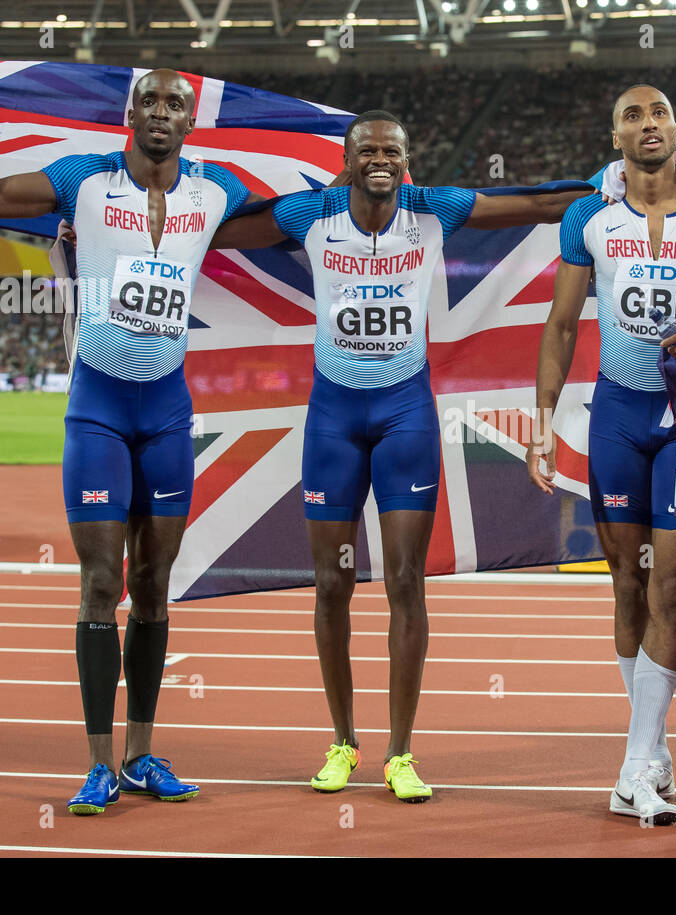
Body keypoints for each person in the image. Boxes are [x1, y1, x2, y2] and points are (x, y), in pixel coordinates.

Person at [0, 64, 257, 815]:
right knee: (99, 582)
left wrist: (370, 183)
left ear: (190, 121)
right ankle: (96, 765)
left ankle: (142, 753)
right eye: (148, 100)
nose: (159, 111)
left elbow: (301, 220)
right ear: (129, 112)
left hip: (168, 412)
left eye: (174, 103)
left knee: (154, 583)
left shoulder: (215, 192)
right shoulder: (83, 179)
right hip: (98, 408)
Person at [211, 110, 593, 802]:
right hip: (332, 419)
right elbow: (215, 230)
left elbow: (534, 202)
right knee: (330, 581)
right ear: (349, 159)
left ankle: (400, 752)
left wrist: (619, 185)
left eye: (392, 150)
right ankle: (341, 740)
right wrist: (112, 237)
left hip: (405, 417)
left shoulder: (431, 207)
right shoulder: (311, 214)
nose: (380, 159)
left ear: (407, 159)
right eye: (368, 150)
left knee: (405, 581)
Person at [525, 86, 676, 826]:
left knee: (670, 585)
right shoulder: (587, 217)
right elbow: (562, 325)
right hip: (617, 417)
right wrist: (541, 422)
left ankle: (635, 766)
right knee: (626, 585)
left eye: (658, 113)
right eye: (632, 115)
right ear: (615, 135)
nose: (648, 125)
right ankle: (647, 755)